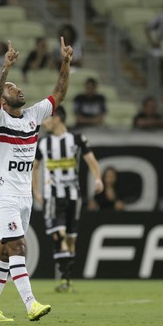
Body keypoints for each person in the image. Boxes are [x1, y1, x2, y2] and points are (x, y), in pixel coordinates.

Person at [0, 37, 73, 322]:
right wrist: (4, 69)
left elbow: (58, 94)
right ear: (4, 101)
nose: (18, 89)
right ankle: (30, 303)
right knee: (18, 246)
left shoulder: (32, 116)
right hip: (2, 193)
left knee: (5, 253)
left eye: (17, 86)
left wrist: (65, 63)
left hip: (24, 197)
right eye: (11, 88)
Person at [32, 106, 104, 293]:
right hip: (52, 196)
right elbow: (35, 167)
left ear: (57, 119)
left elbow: (91, 161)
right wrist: (36, 191)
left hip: (74, 196)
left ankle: (66, 279)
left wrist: (98, 178)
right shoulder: (43, 143)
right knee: (59, 234)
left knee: (71, 240)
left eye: (47, 118)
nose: (44, 122)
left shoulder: (77, 139)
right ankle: (65, 279)